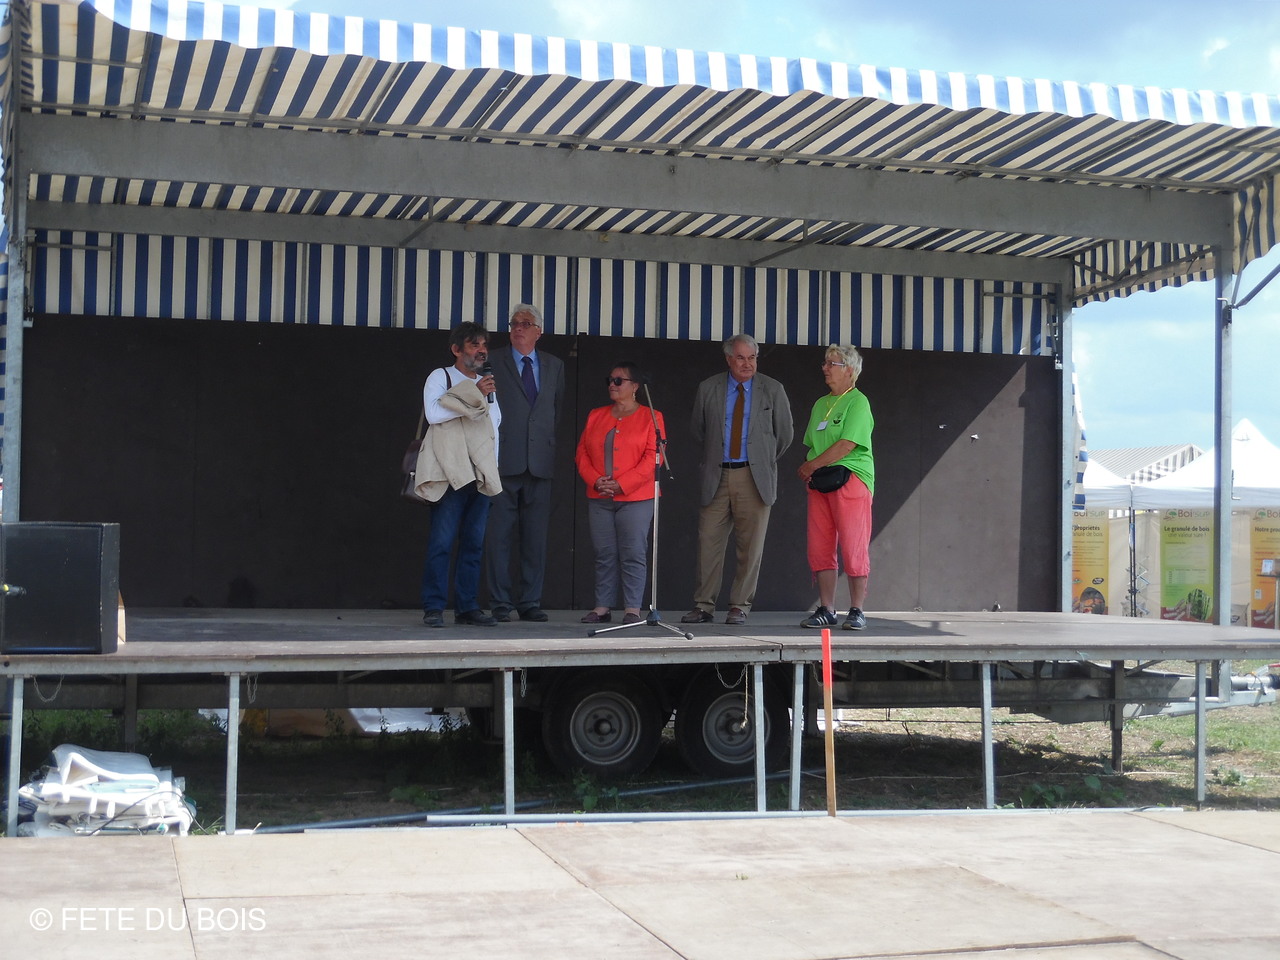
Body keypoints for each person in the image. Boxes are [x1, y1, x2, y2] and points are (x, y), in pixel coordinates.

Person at [682, 333, 794, 626]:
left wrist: (760, 459)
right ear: (729, 359)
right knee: (708, 544)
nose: (747, 364)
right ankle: (703, 605)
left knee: (750, 547)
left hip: (754, 476)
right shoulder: (709, 388)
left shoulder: (773, 389)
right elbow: (698, 430)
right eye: (741, 358)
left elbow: (784, 435)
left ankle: (739, 606)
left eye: (752, 358)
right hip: (717, 473)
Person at [484, 304, 566, 622]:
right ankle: (500, 602)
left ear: (539, 332)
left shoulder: (554, 365)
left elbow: (555, 410)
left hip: (540, 461)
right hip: (502, 460)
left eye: (526, 323)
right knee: (499, 536)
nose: (518, 327)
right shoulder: (493, 361)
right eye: (514, 323)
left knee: (535, 538)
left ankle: (530, 601)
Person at [418, 322, 502, 628]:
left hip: (480, 475)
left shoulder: (487, 384)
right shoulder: (440, 376)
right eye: (474, 345)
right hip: (451, 472)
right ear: (456, 349)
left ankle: (467, 607)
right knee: (442, 543)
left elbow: (493, 429)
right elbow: (434, 414)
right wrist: (473, 393)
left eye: (484, 345)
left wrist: (493, 470)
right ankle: (434, 607)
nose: (482, 351)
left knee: (473, 544)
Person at [575, 361, 664, 625]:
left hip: (636, 497)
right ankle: (602, 607)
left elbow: (653, 457)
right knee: (604, 553)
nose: (612, 385)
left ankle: (632, 609)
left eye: (618, 381)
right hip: (600, 495)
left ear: (635, 386)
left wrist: (622, 483)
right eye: (610, 380)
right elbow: (581, 453)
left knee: (633, 552)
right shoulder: (596, 415)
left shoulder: (652, 416)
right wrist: (596, 480)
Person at [797, 344, 874, 631]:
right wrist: (813, 467)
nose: (825, 368)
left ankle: (857, 610)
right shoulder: (821, 404)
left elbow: (847, 444)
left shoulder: (858, 402)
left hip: (850, 477)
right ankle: (827, 608)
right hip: (820, 481)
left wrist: (812, 465)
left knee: (853, 544)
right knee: (820, 544)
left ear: (850, 370)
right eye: (825, 363)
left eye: (833, 364)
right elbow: (812, 442)